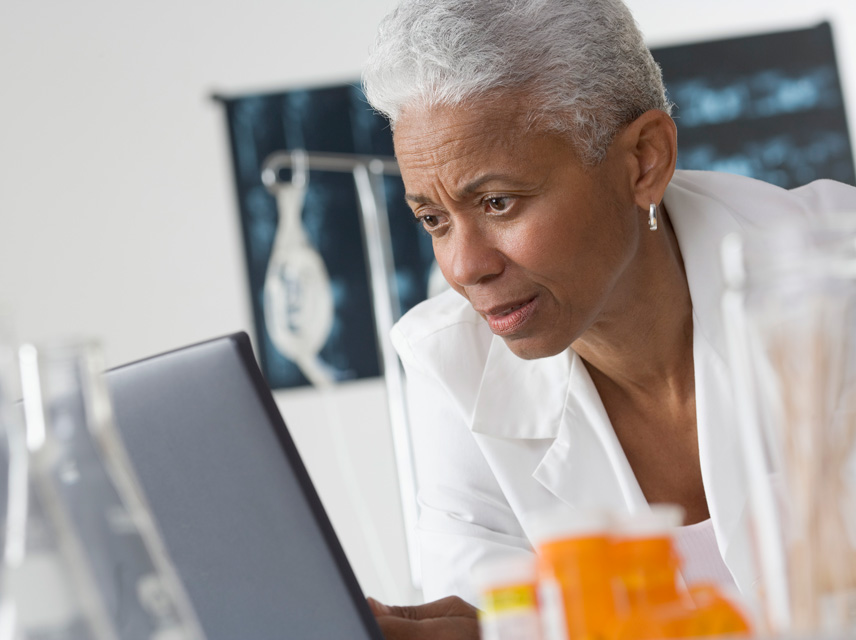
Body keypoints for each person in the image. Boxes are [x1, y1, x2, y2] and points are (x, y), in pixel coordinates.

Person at [359, 0, 856, 637]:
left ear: (644, 160)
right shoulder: (451, 366)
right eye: (434, 219)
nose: (464, 267)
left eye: (498, 202)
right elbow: (504, 619)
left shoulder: (836, 268)